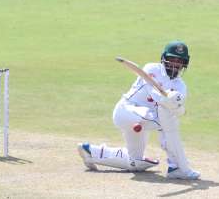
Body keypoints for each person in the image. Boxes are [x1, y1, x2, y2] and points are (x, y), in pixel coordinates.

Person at [78, 41, 201, 180]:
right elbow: (155, 94)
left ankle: (91, 152)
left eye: (179, 61)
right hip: (127, 111)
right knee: (168, 122)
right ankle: (178, 167)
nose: (175, 64)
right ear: (163, 58)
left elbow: (176, 110)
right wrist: (168, 100)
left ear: (185, 63)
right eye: (172, 59)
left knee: (135, 162)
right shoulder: (151, 69)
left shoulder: (181, 86)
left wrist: (177, 107)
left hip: (145, 122)